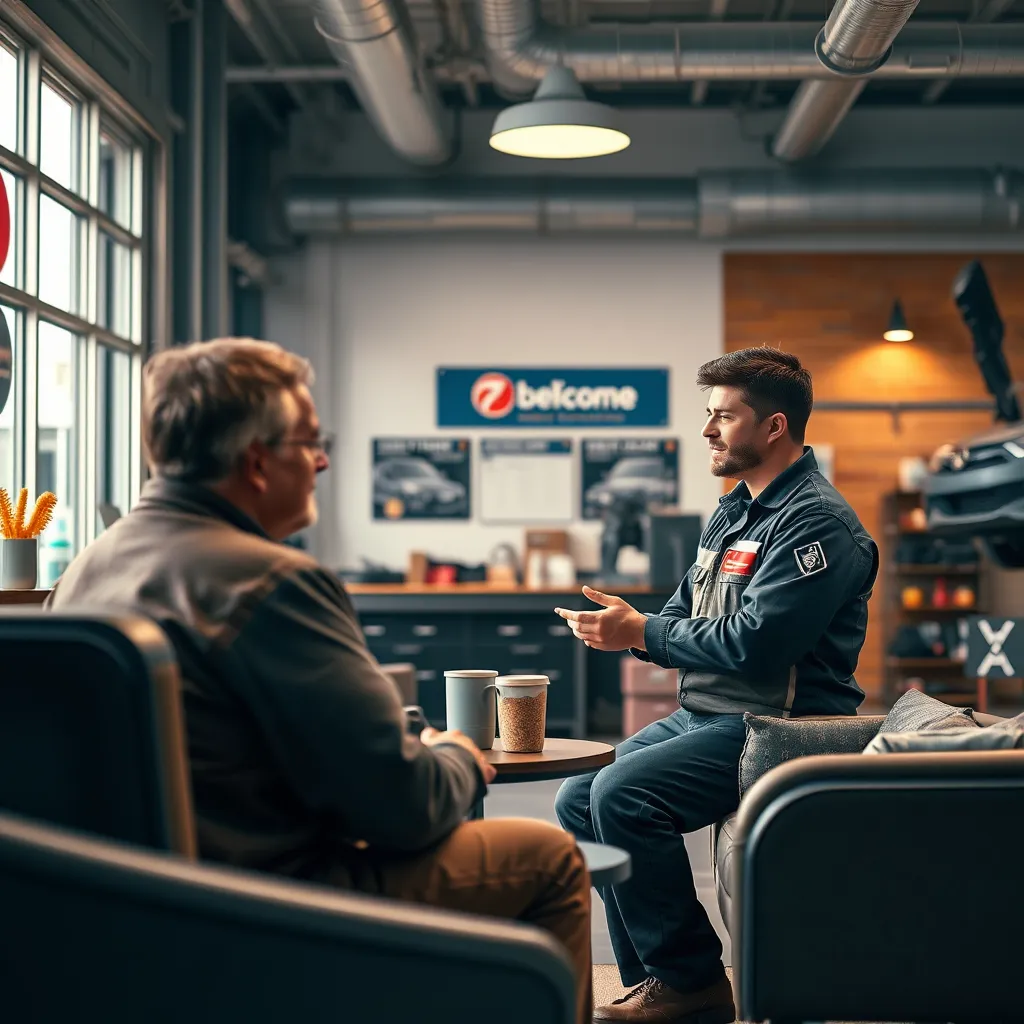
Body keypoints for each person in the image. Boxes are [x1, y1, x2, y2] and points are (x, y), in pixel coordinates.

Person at [46, 338, 592, 1024]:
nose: (323, 461)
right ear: (256, 462)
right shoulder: (271, 581)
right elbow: (405, 808)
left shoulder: (85, 572)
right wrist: (457, 754)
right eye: (310, 442)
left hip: (116, 907)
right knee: (548, 857)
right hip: (264, 904)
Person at [553, 347, 878, 1024]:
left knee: (623, 794)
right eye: (708, 414)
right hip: (710, 712)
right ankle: (655, 980)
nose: (706, 430)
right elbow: (681, 611)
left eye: (723, 416)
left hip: (781, 726)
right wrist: (636, 626)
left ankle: (693, 984)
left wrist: (643, 631)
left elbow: (758, 646)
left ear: (774, 426)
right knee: (578, 796)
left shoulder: (817, 524)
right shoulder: (734, 511)